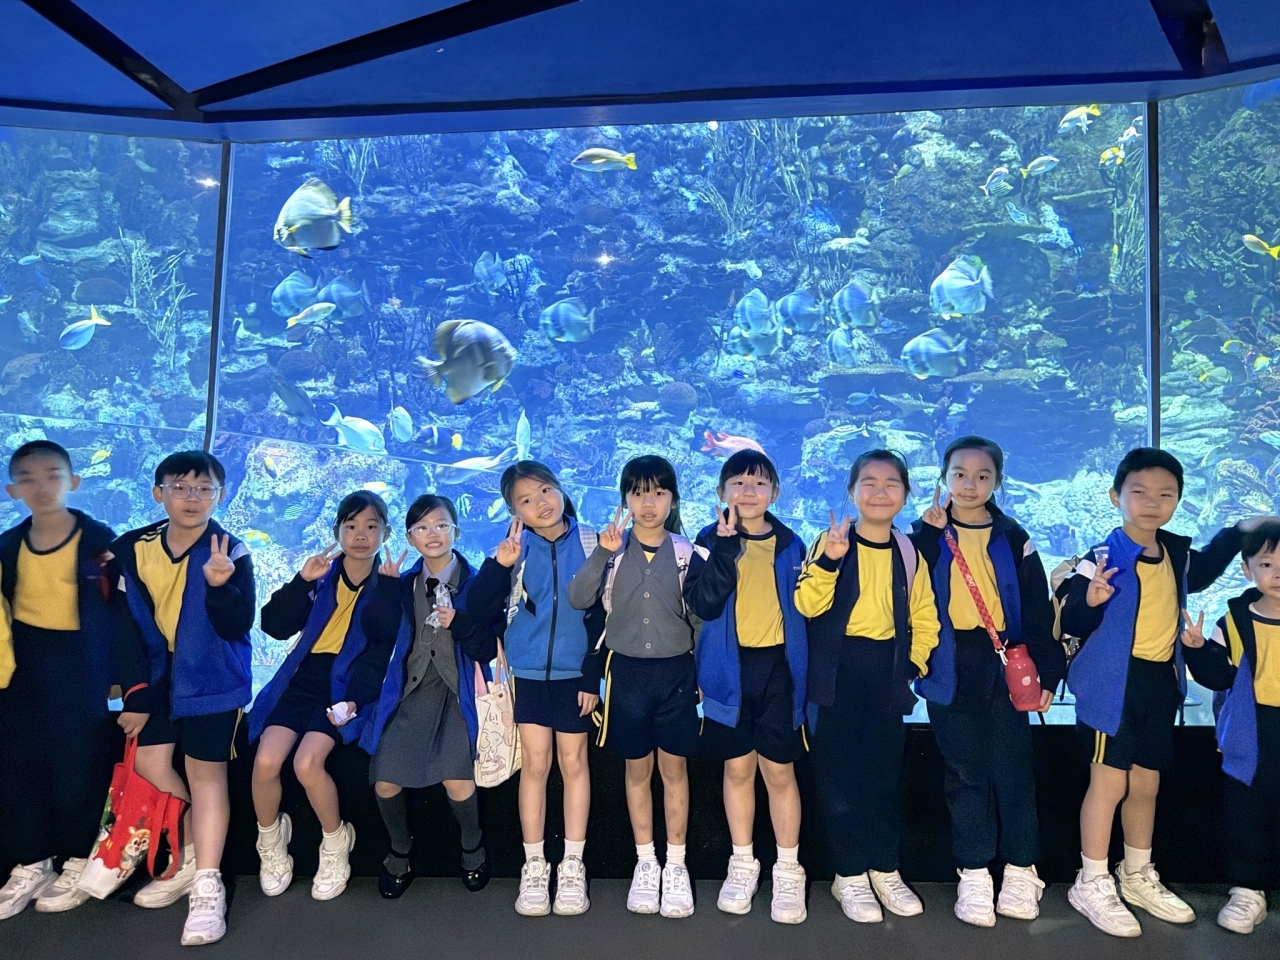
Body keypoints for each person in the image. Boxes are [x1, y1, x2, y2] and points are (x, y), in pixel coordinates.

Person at [1060, 447, 1266, 937]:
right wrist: (1090, 601)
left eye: (1166, 494)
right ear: (1116, 496)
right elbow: (1071, 619)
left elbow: (1207, 567)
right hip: (1111, 686)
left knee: (1146, 784)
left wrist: (1241, 530)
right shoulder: (1100, 557)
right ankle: (1091, 880)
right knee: (1108, 784)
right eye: (1140, 492)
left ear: (1177, 500)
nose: (1152, 502)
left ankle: (1136, 874)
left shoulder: (1173, 553)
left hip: (1158, 683)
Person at [911, 436, 1065, 926]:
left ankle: (1021, 869)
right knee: (964, 770)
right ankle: (974, 871)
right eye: (959, 474)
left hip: (1005, 658)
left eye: (982, 476)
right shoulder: (923, 534)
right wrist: (928, 535)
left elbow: (1037, 608)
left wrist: (1049, 670)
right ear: (943, 478)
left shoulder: (1014, 536)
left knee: (1012, 766)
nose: (970, 484)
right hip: (948, 659)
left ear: (997, 480)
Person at [112, 451, 255, 947]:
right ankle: (191, 854)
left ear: (221, 495)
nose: (193, 498)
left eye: (204, 489)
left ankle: (207, 887)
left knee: (205, 775)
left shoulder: (231, 550)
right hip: (158, 676)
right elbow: (124, 627)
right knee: (151, 763)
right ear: (159, 493)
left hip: (214, 678)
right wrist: (134, 692)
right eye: (180, 487)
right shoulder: (131, 549)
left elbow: (239, 625)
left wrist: (219, 586)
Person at [796, 449, 938, 924]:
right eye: (869, 482)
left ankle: (883, 866)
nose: (880, 491)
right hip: (836, 671)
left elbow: (924, 615)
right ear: (852, 491)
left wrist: (913, 664)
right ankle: (849, 873)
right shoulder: (831, 540)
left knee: (882, 775)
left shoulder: (908, 550)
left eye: (891, 483)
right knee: (839, 777)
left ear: (906, 493)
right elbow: (807, 605)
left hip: (888, 671)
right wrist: (830, 562)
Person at [568, 455, 705, 919]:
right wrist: (601, 554)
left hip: (677, 676)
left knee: (675, 770)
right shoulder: (612, 551)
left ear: (673, 500)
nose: (649, 503)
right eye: (639, 493)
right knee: (637, 770)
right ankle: (646, 862)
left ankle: (676, 864)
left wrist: (702, 676)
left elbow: (700, 619)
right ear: (625, 499)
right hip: (626, 675)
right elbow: (579, 598)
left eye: (659, 493)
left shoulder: (688, 554)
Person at [465, 461, 601, 917]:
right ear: (514, 511)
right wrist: (497, 565)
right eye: (525, 499)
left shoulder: (592, 541)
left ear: (560, 489)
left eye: (545, 490)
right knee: (536, 766)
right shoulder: (514, 550)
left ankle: (573, 864)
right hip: (526, 674)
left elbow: (604, 614)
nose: (539, 503)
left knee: (575, 763)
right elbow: (476, 608)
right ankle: (535, 864)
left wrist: (592, 675)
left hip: (575, 676)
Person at [683, 449, 809, 923]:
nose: (748, 491)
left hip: (779, 670)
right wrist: (723, 548)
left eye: (759, 483)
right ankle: (742, 862)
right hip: (727, 668)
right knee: (737, 769)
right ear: (722, 493)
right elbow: (702, 604)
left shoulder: (792, 544)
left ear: (775, 492)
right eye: (737, 483)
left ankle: (789, 868)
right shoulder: (706, 541)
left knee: (779, 771)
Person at [249, 491, 395, 901]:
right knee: (266, 760)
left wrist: (355, 701)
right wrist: (302, 582)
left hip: (345, 686)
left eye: (371, 526)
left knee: (307, 763)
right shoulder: (321, 575)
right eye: (351, 526)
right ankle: (270, 841)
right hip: (303, 678)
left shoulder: (388, 587)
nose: (361, 535)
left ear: (386, 534)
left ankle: (335, 842)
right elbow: (275, 626)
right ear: (337, 532)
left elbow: (379, 654)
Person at [0, 441, 124, 918]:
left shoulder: (100, 543)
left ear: (73, 481)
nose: (42, 486)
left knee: (80, 767)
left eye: (52, 475)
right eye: (28, 478)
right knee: (20, 767)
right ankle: (33, 861)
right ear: (13, 490)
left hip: (81, 667)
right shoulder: (8, 546)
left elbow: (121, 617)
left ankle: (77, 859)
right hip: (22, 668)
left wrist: (119, 678)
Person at [358, 494, 496, 899]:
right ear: (409, 538)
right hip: (411, 691)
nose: (432, 534)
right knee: (385, 780)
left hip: (458, 693)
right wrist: (385, 589)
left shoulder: (477, 584)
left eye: (441, 525)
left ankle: (472, 846)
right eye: (421, 527)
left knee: (458, 781)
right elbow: (376, 634)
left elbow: (488, 647)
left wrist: (462, 624)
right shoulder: (401, 584)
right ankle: (400, 848)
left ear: (456, 531)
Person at [1183, 519, 1280, 934]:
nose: (1277, 574)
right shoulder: (1235, 620)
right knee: (1247, 810)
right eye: (1267, 564)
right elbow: (1219, 676)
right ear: (1246, 569)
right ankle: (1248, 890)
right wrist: (1197, 650)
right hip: (1251, 729)